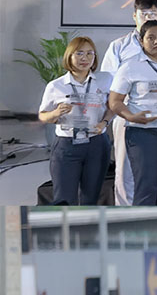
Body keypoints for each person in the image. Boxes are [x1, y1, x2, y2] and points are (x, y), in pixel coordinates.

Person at [100, 0, 157, 206]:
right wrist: (130, 116)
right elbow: (113, 95)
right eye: (151, 38)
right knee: (136, 176)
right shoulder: (125, 56)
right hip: (137, 124)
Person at [38, 36, 112, 205]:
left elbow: (113, 106)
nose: (85, 58)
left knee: (91, 197)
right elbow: (43, 115)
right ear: (69, 56)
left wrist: (104, 123)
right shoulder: (56, 85)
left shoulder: (105, 80)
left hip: (97, 143)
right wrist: (56, 112)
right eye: (79, 53)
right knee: (64, 198)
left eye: (90, 53)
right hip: (67, 145)